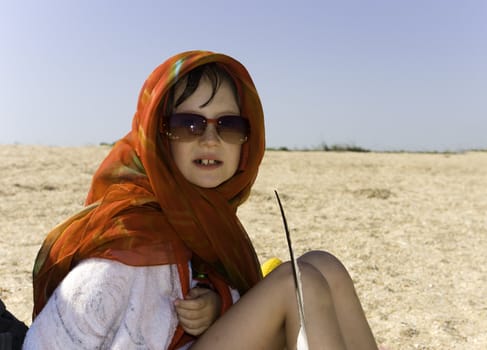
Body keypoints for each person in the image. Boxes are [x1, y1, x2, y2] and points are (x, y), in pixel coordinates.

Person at [23, 50, 378, 349]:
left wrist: (217, 302)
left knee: (323, 265)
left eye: (229, 126)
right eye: (188, 124)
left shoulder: (204, 218)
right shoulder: (128, 238)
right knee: (296, 283)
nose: (210, 139)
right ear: (159, 136)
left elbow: (195, 283)